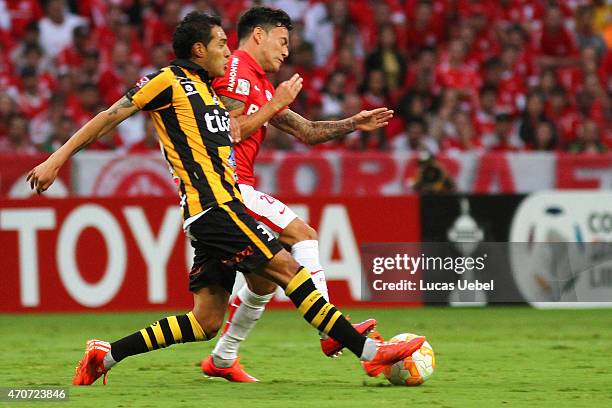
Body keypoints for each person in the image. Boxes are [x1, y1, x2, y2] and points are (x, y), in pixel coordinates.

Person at [26, 11, 424, 386]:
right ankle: (369, 351)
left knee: (206, 321)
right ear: (199, 50)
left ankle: (107, 354)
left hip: (213, 211)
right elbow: (110, 115)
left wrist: (351, 122)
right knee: (288, 268)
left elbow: (297, 129)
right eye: (220, 44)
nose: (228, 52)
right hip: (216, 207)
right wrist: (55, 159)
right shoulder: (167, 81)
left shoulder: (207, 91)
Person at [201, 7, 394, 382]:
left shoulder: (258, 81)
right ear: (258, 35)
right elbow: (229, 131)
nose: (286, 52)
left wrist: (354, 122)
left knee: (261, 281)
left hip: (234, 187)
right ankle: (329, 330)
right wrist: (273, 105)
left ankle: (222, 360)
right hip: (228, 187)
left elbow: (306, 131)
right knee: (302, 235)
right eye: (282, 41)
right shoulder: (237, 71)